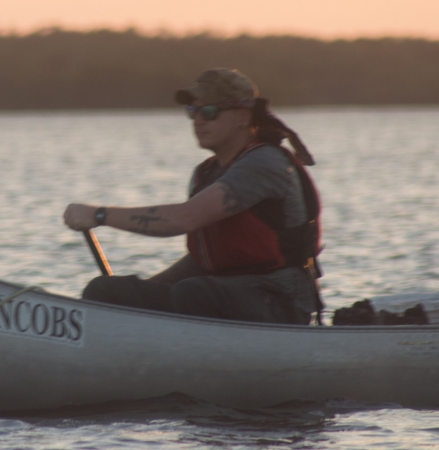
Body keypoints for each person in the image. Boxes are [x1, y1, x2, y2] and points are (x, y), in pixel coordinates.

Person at [62, 68, 323, 325]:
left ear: (242, 117)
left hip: (280, 302)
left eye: (209, 111)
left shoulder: (264, 164)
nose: (198, 120)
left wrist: (100, 215)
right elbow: (204, 260)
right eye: (193, 111)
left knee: (193, 292)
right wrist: (141, 296)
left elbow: (183, 219)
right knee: (107, 291)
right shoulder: (206, 173)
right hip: (221, 294)